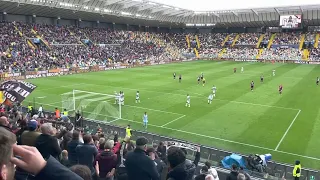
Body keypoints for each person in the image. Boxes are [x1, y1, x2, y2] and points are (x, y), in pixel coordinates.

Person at [0, 127, 83, 180]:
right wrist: (43, 167)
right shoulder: (50, 139)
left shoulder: (37, 136)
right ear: (3, 173)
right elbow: (59, 151)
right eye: (12, 161)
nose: (16, 165)